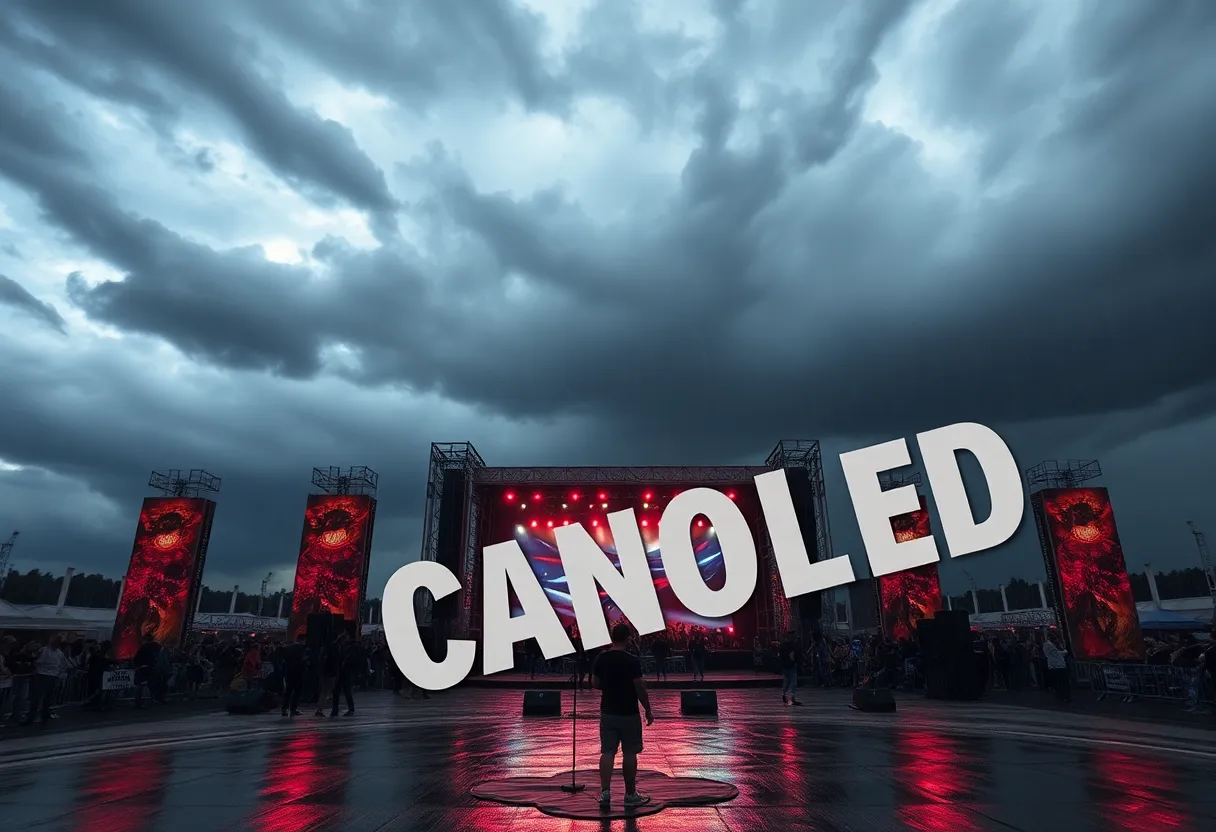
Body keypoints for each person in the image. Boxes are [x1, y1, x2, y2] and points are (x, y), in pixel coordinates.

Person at [591, 623, 653, 809]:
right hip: (629, 712)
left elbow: (594, 682)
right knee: (629, 753)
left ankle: (605, 792)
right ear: (628, 638)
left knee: (607, 751)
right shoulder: (632, 660)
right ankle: (630, 794)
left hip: (608, 711)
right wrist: (648, 709)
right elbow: (639, 686)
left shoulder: (601, 658)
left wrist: (609, 687)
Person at [280, 633, 308, 717]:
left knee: (288, 691)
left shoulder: (288, 648)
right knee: (297, 692)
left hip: (289, 673)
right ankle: (293, 709)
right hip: (298, 673)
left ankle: (284, 709)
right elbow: (302, 660)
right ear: (302, 640)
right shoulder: (301, 649)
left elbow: (284, 660)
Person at [1042, 633, 1070, 703]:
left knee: (1060, 682)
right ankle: (1062, 696)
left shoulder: (1049, 645)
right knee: (1061, 682)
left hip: (1056, 665)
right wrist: (1064, 651)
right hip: (1056, 665)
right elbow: (1057, 653)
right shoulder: (1049, 645)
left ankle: (1062, 696)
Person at [779, 630, 802, 705]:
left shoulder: (784, 645)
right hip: (791, 665)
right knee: (792, 682)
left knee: (787, 681)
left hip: (787, 666)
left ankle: (785, 695)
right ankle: (791, 696)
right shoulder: (793, 645)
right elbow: (797, 655)